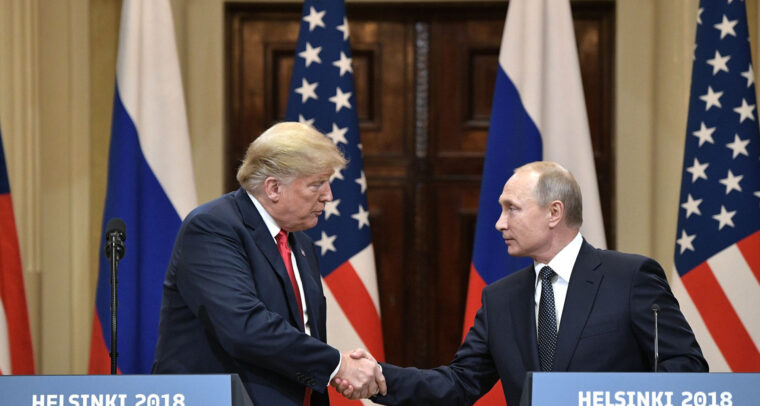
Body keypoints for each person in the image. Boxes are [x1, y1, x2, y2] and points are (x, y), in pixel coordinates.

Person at [336, 161, 707, 405]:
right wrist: (382, 377)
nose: (499, 223)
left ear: (554, 212)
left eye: (511, 208)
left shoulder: (630, 278)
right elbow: (458, 384)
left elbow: (685, 370)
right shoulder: (501, 299)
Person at [152, 122, 386, 405]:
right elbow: (245, 327)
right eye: (316, 184)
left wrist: (333, 369)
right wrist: (338, 365)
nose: (328, 195)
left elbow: (306, 334)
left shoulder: (300, 244)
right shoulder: (212, 228)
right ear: (274, 187)